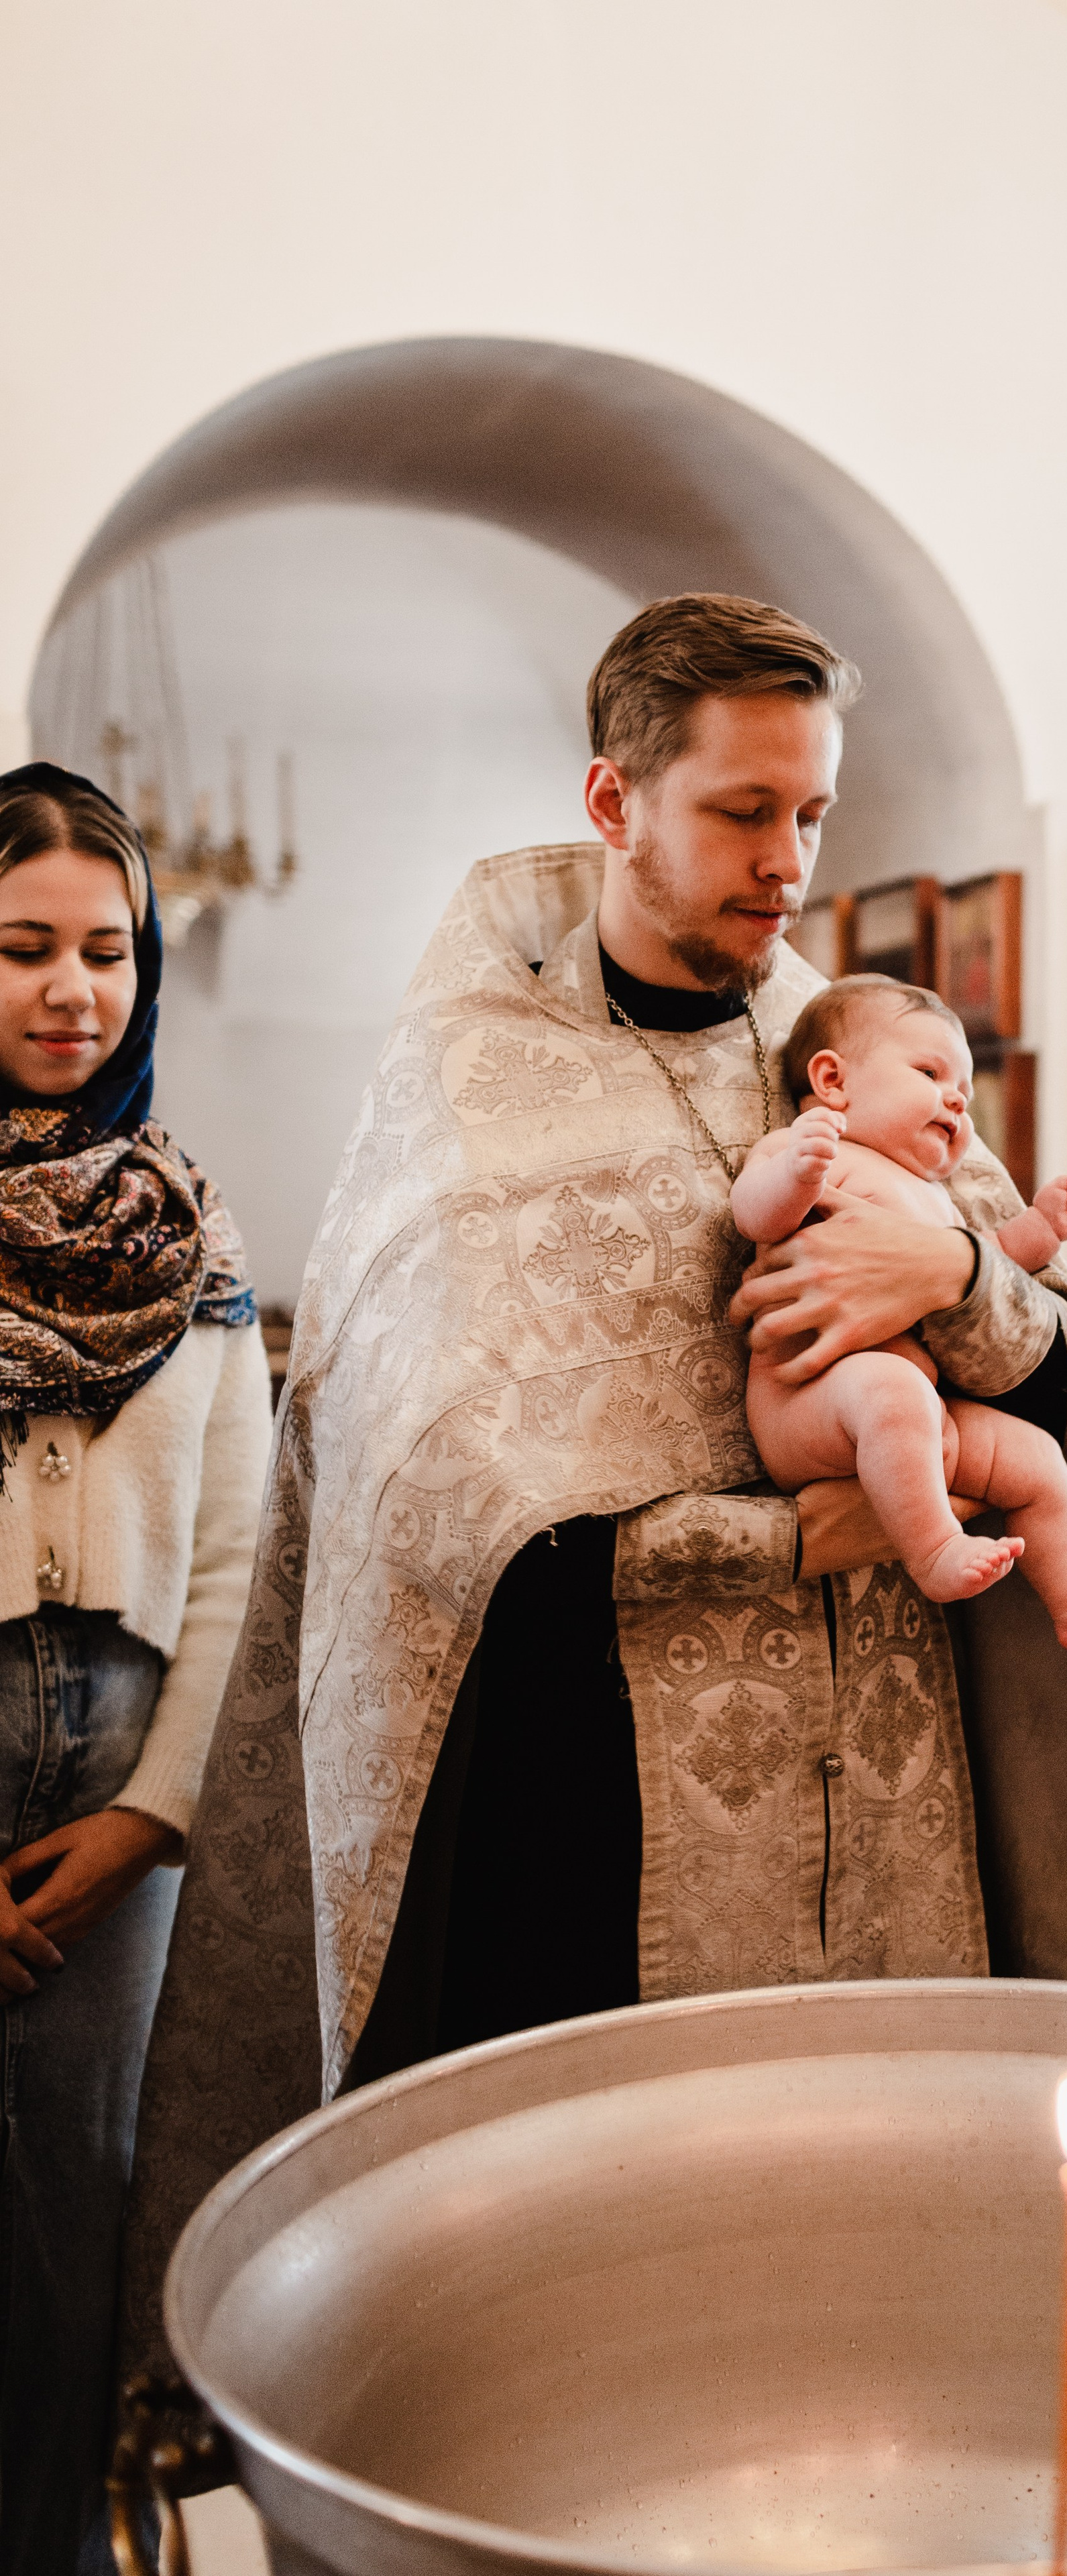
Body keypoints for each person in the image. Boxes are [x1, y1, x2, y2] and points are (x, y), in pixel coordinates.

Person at [125, 594, 1067, 2362]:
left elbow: (1058, 1354)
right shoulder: (482, 1080)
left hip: (890, 1823)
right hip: (591, 1822)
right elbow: (426, 1501)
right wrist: (806, 1522)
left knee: (873, 2311)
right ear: (615, 796)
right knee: (615, 2340)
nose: (790, 859)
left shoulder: (846, 1050)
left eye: (813, 813)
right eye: (741, 811)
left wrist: (959, 1280)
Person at [0, 767, 270, 2573]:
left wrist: (157, 1816)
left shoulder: (193, 1231)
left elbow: (246, 1550)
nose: (69, 990)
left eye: (108, 949)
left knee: (77, 2234)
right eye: (21, 948)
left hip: (120, 1780)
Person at [732, 972, 1067, 1647]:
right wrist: (794, 1172)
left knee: (1031, 1457)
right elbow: (752, 1213)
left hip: (918, 1411)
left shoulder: (934, 1195)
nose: (955, 1100)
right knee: (893, 1390)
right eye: (930, 1071)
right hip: (808, 1402)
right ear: (833, 1081)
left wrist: (1043, 1226)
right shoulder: (817, 1149)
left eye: (965, 1093)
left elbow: (989, 1257)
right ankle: (936, 1550)